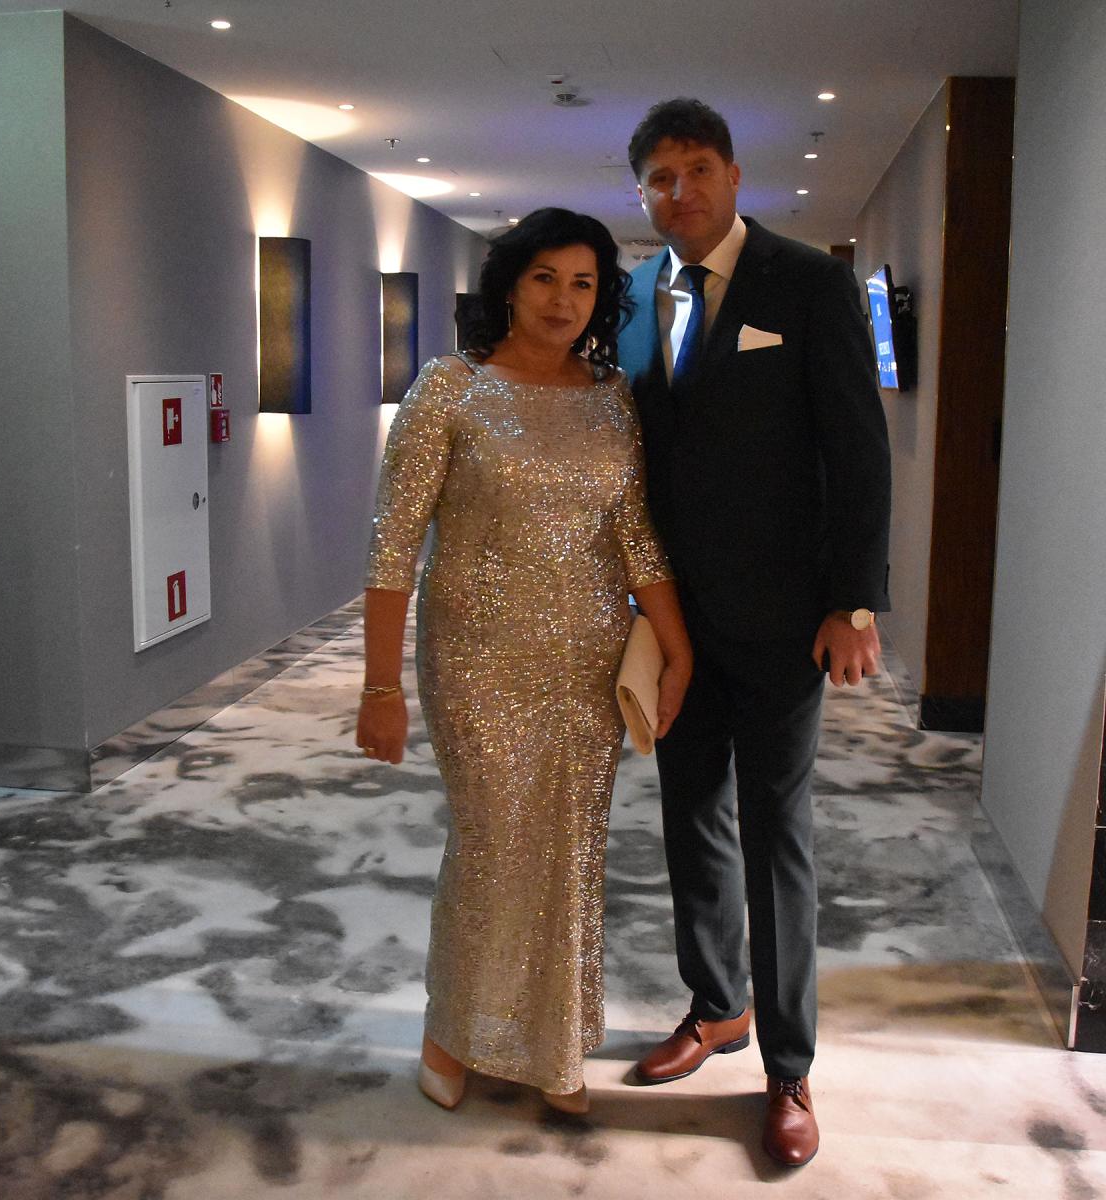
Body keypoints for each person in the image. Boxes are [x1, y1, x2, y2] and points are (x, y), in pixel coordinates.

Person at [357, 208, 693, 1115]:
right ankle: (451, 1032)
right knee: (493, 846)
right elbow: (393, 547)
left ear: (601, 298)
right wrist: (380, 686)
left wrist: (678, 648)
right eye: (545, 277)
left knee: (569, 853)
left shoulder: (610, 397)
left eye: (583, 283)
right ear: (509, 284)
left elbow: (635, 536)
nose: (562, 300)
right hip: (476, 659)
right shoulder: (451, 389)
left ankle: (552, 1048)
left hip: (588, 660)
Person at [616, 99, 891, 1167]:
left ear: (734, 175)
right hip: (674, 622)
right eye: (658, 177)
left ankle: (788, 1066)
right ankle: (715, 1004)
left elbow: (856, 452)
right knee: (691, 813)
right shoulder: (636, 297)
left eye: (695, 169)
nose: (678, 192)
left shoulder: (809, 284)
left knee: (777, 831)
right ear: (642, 194)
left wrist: (853, 602)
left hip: (784, 621)